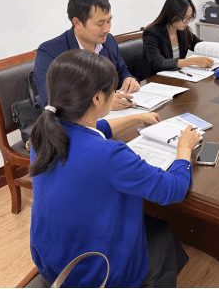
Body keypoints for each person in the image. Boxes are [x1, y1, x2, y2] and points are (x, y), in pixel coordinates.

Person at [30, 49, 201, 288]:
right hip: (95, 274)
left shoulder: (46, 132)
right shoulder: (109, 155)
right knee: (162, 232)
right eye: (113, 90)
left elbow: (94, 128)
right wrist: (184, 150)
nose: (117, 94)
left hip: (53, 262)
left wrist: (136, 118)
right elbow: (173, 190)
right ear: (97, 99)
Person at [33, 0, 140, 111]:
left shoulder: (108, 41)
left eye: (109, 21)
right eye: (100, 23)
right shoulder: (50, 52)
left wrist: (128, 79)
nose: (107, 29)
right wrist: (101, 104)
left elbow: (121, 71)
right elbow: (51, 104)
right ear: (77, 23)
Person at [143, 0, 214, 74]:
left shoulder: (182, 30)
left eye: (189, 18)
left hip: (177, 76)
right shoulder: (151, 33)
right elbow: (159, 63)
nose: (187, 22)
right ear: (172, 14)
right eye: (184, 18)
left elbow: (199, 45)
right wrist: (193, 61)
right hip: (157, 78)